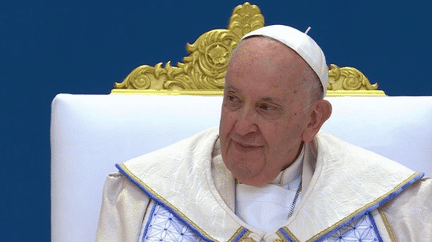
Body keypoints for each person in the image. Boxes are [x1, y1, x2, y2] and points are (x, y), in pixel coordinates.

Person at [96, 25, 432, 242]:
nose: (241, 127)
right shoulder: (138, 196)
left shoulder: (399, 207)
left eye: (266, 108)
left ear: (313, 120)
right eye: (233, 100)